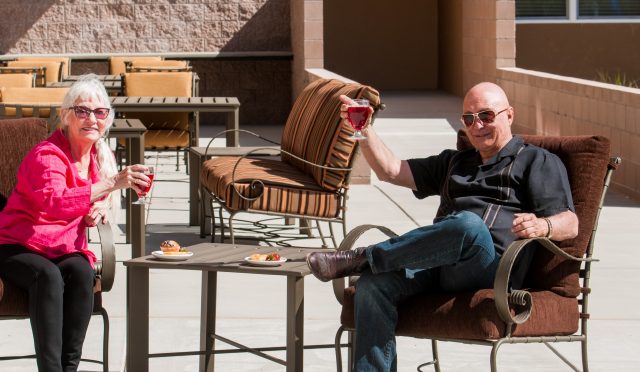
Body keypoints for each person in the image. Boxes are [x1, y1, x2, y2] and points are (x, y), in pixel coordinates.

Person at [306, 82, 579, 372]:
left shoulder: (536, 161)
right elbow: (390, 170)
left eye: (486, 116)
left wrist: (542, 225)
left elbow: (571, 223)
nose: (478, 125)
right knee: (373, 286)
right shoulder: (456, 162)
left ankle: (363, 258)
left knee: (468, 225)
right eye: (469, 119)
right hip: (439, 266)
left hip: (492, 269)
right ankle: (368, 270)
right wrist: (362, 128)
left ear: (509, 115)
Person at [0, 74, 151, 372]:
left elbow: (85, 196)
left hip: (62, 246)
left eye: (99, 112)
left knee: (82, 271)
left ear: (107, 119)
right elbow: (55, 202)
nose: (91, 119)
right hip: (17, 244)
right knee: (48, 276)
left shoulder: (98, 157)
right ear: (65, 116)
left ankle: (70, 368)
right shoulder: (47, 155)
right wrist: (110, 184)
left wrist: (99, 206)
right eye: (82, 111)